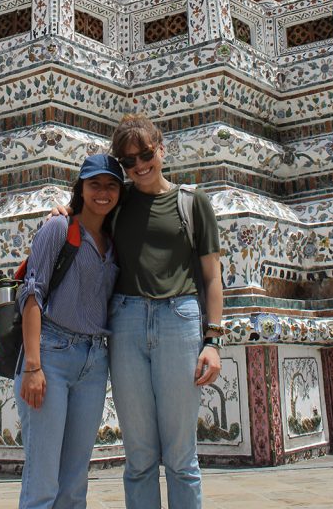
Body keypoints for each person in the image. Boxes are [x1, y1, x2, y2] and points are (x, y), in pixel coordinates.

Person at [53, 114, 223, 509]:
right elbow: (88, 210)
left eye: (145, 154)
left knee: (181, 456)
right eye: (128, 161)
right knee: (140, 455)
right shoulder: (120, 200)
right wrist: (64, 212)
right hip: (126, 321)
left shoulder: (193, 203)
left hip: (179, 321)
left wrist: (213, 340)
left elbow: (212, 277)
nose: (139, 166)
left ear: (161, 149)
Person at [15, 152, 124, 509]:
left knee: (75, 480)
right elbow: (32, 291)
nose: (103, 193)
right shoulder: (59, 227)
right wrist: (33, 366)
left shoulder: (114, 240)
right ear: (81, 188)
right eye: (95, 185)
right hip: (51, 355)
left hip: (93, 363)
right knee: (43, 479)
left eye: (111, 186)